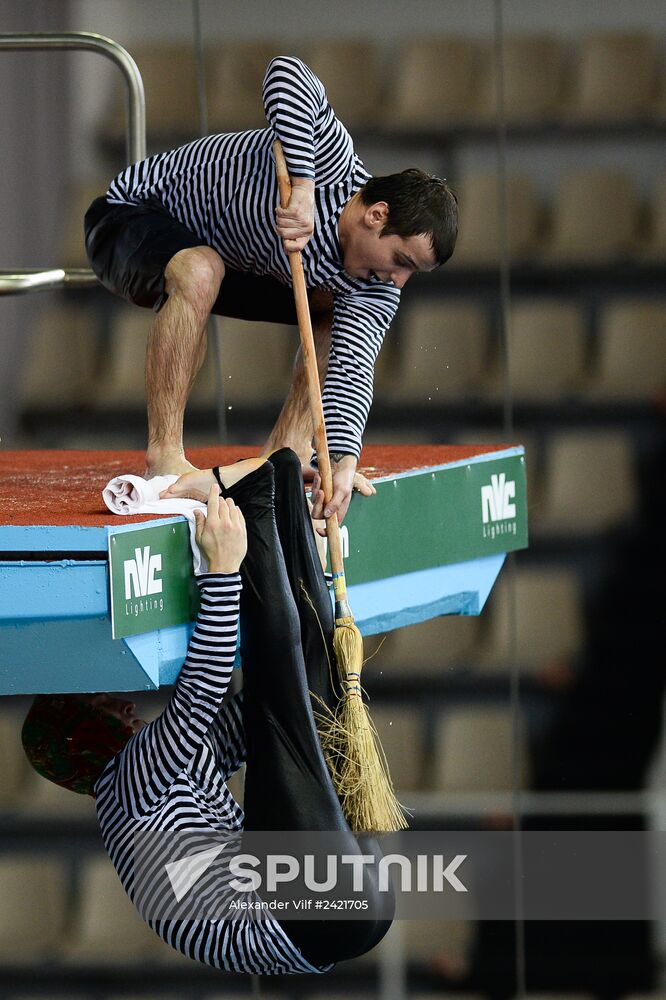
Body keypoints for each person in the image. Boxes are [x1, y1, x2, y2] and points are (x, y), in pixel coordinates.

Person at [22, 449, 394, 975]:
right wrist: (222, 570)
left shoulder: (166, 782)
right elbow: (205, 686)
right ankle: (255, 500)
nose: (125, 704)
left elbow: (262, 711)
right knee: (284, 684)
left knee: (309, 686)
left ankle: (284, 486)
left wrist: (299, 570)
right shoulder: (130, 782)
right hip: (308, 913)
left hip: (345, 914)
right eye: (104, 704)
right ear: (83, 736)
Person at [84, 55, 458, 525]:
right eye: (401, 261)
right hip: (132, 218)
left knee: (327, 307)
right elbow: (286, 73)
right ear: (376, 215)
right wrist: (302, 187)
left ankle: (282, 456)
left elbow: (353, 369)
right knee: (201, 269)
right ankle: (165, 457)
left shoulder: (373, 287)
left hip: (231, 261)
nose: (398, 281)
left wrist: (341, 464)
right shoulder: (332, 162)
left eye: (412, 274)